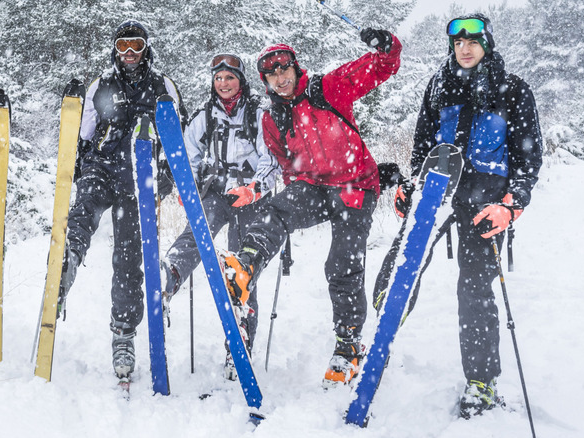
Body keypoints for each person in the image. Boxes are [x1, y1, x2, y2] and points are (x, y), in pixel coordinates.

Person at [373, 14, 542, 418]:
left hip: (486, 200)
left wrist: (511, 205)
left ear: (487, 44)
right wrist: (410, 186)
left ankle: (481, 382)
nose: (464, 49)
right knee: (401, 267)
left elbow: (527, 160)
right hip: (437, 191)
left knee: (475, 288)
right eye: (458, 43)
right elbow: (422, 146)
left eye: (472, 42)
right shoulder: (439, 85)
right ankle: (375, 339)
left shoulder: (514, 90)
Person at [223, 29, 402, 388]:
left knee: (341, 264)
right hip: (314, 187)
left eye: (284, 69)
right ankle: (245, 266)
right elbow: (284, 163)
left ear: (295, 67)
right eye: (271, 74)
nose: (280, 78)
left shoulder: (328, 88)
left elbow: (381, 68)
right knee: (275, 210)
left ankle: (348, 346)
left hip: (355, 187)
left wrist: (386, 47)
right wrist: (290, 193)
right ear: (265, 80)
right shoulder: (272, 118)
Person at [57, 20, 187, 381]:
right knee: (84, 209)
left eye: (136, 46)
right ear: (114, 49)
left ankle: (124, 333)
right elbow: (83, 135)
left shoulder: (163, 85)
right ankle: (66, 264)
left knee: (129, 258)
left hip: (139, 179)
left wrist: (164, 177)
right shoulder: (103, 84)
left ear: (146, 48)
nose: (129, 53)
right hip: (103, 166)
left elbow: (179, 139)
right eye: (123, 46)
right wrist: (82, 167)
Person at [160, 53, 279, 380]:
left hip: (249, 196)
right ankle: (167, 277)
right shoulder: (204, 115)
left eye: (230, 77)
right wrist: (187, 186)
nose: (224, 83)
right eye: (218, 78)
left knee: (242, 267)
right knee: (195, 235)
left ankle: (239, 337)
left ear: (241, 80)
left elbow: (270, 159)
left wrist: (255, 188)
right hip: (214, 192)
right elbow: (188, 154)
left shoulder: (258, 113)